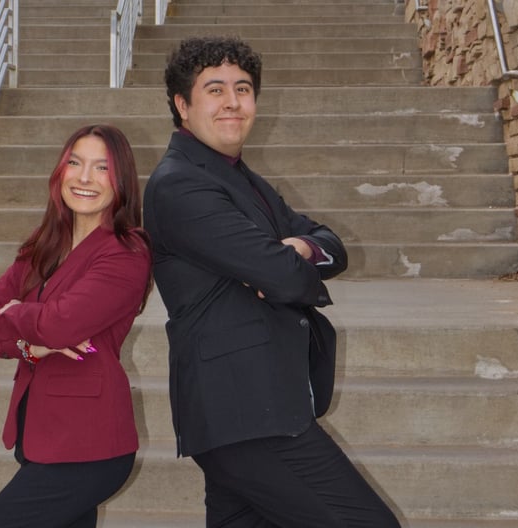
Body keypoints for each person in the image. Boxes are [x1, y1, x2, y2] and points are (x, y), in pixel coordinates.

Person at [142, 36, 402, 527]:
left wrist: (302, 247)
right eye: (214, 89)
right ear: (182, 104)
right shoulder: (180, 183)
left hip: (250, 408)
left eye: (242, 88)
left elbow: (330, 244)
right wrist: (285, 264)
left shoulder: (244, 180)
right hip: (246, 411)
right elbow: (282, 278)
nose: (233, 102)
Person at [0, 124, 153, 528]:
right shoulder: (44, 244)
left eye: (102, 168)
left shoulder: (126, 252)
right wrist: (27, 346)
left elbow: (59, 325)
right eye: (75, 163)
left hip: (88, 447)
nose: (84, 177)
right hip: (39, 433)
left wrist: (14, 312)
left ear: (120, 182)